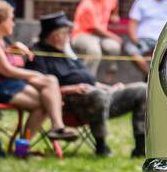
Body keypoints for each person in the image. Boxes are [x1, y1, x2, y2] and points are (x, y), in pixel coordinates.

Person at [28, 13, 147, 157]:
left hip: (96, 92)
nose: (69, 37)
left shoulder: (66, 52)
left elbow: (86, 79)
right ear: (56, 36)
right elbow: (40, 86)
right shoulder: (38, 55)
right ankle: (101, 147)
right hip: (74, 104)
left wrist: (107, 87)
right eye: (67, 33)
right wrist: (69, 89)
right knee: (97, 95)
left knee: (142, 90)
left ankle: (140, 148)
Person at [0, 0, 77, 144]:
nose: (13, 23)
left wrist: (15, 51)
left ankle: (35, 140)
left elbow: (15, 66)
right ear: (2, 19)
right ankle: (51, 130)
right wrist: (35, 74)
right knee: (46, 99)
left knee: (49, 91)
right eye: (11, 19)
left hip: (7, 85)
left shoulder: (2, 42)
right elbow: (6, 70)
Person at [71, 0, 124, 75]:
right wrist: (114, 36)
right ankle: (86, 78)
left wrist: (115, 14)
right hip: (82, 34)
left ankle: (110, 72)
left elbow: (115, 5)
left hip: (100, 35)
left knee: (114, 47)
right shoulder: (87, 4)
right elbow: (95, 29)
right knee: (94, 51)